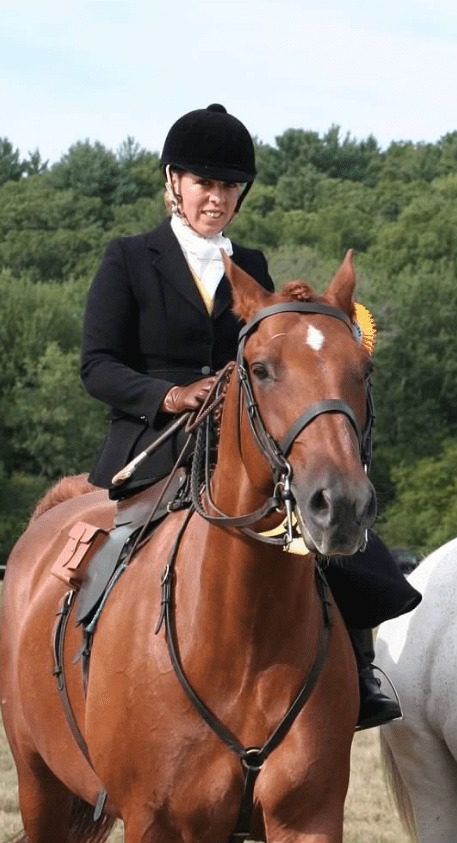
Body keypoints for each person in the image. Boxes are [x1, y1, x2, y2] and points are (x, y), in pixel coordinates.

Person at [80, 103, 418, 729]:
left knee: (338, 527)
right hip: (154, 445)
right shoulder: (129, 258)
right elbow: (97, 365)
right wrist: (171, 396)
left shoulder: (252, 266)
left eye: (229, 187)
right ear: (173, 183)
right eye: (204, 184)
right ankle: (87, 659)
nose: (217, 198)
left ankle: (359, 667)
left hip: (243, 444)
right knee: (115, 549)